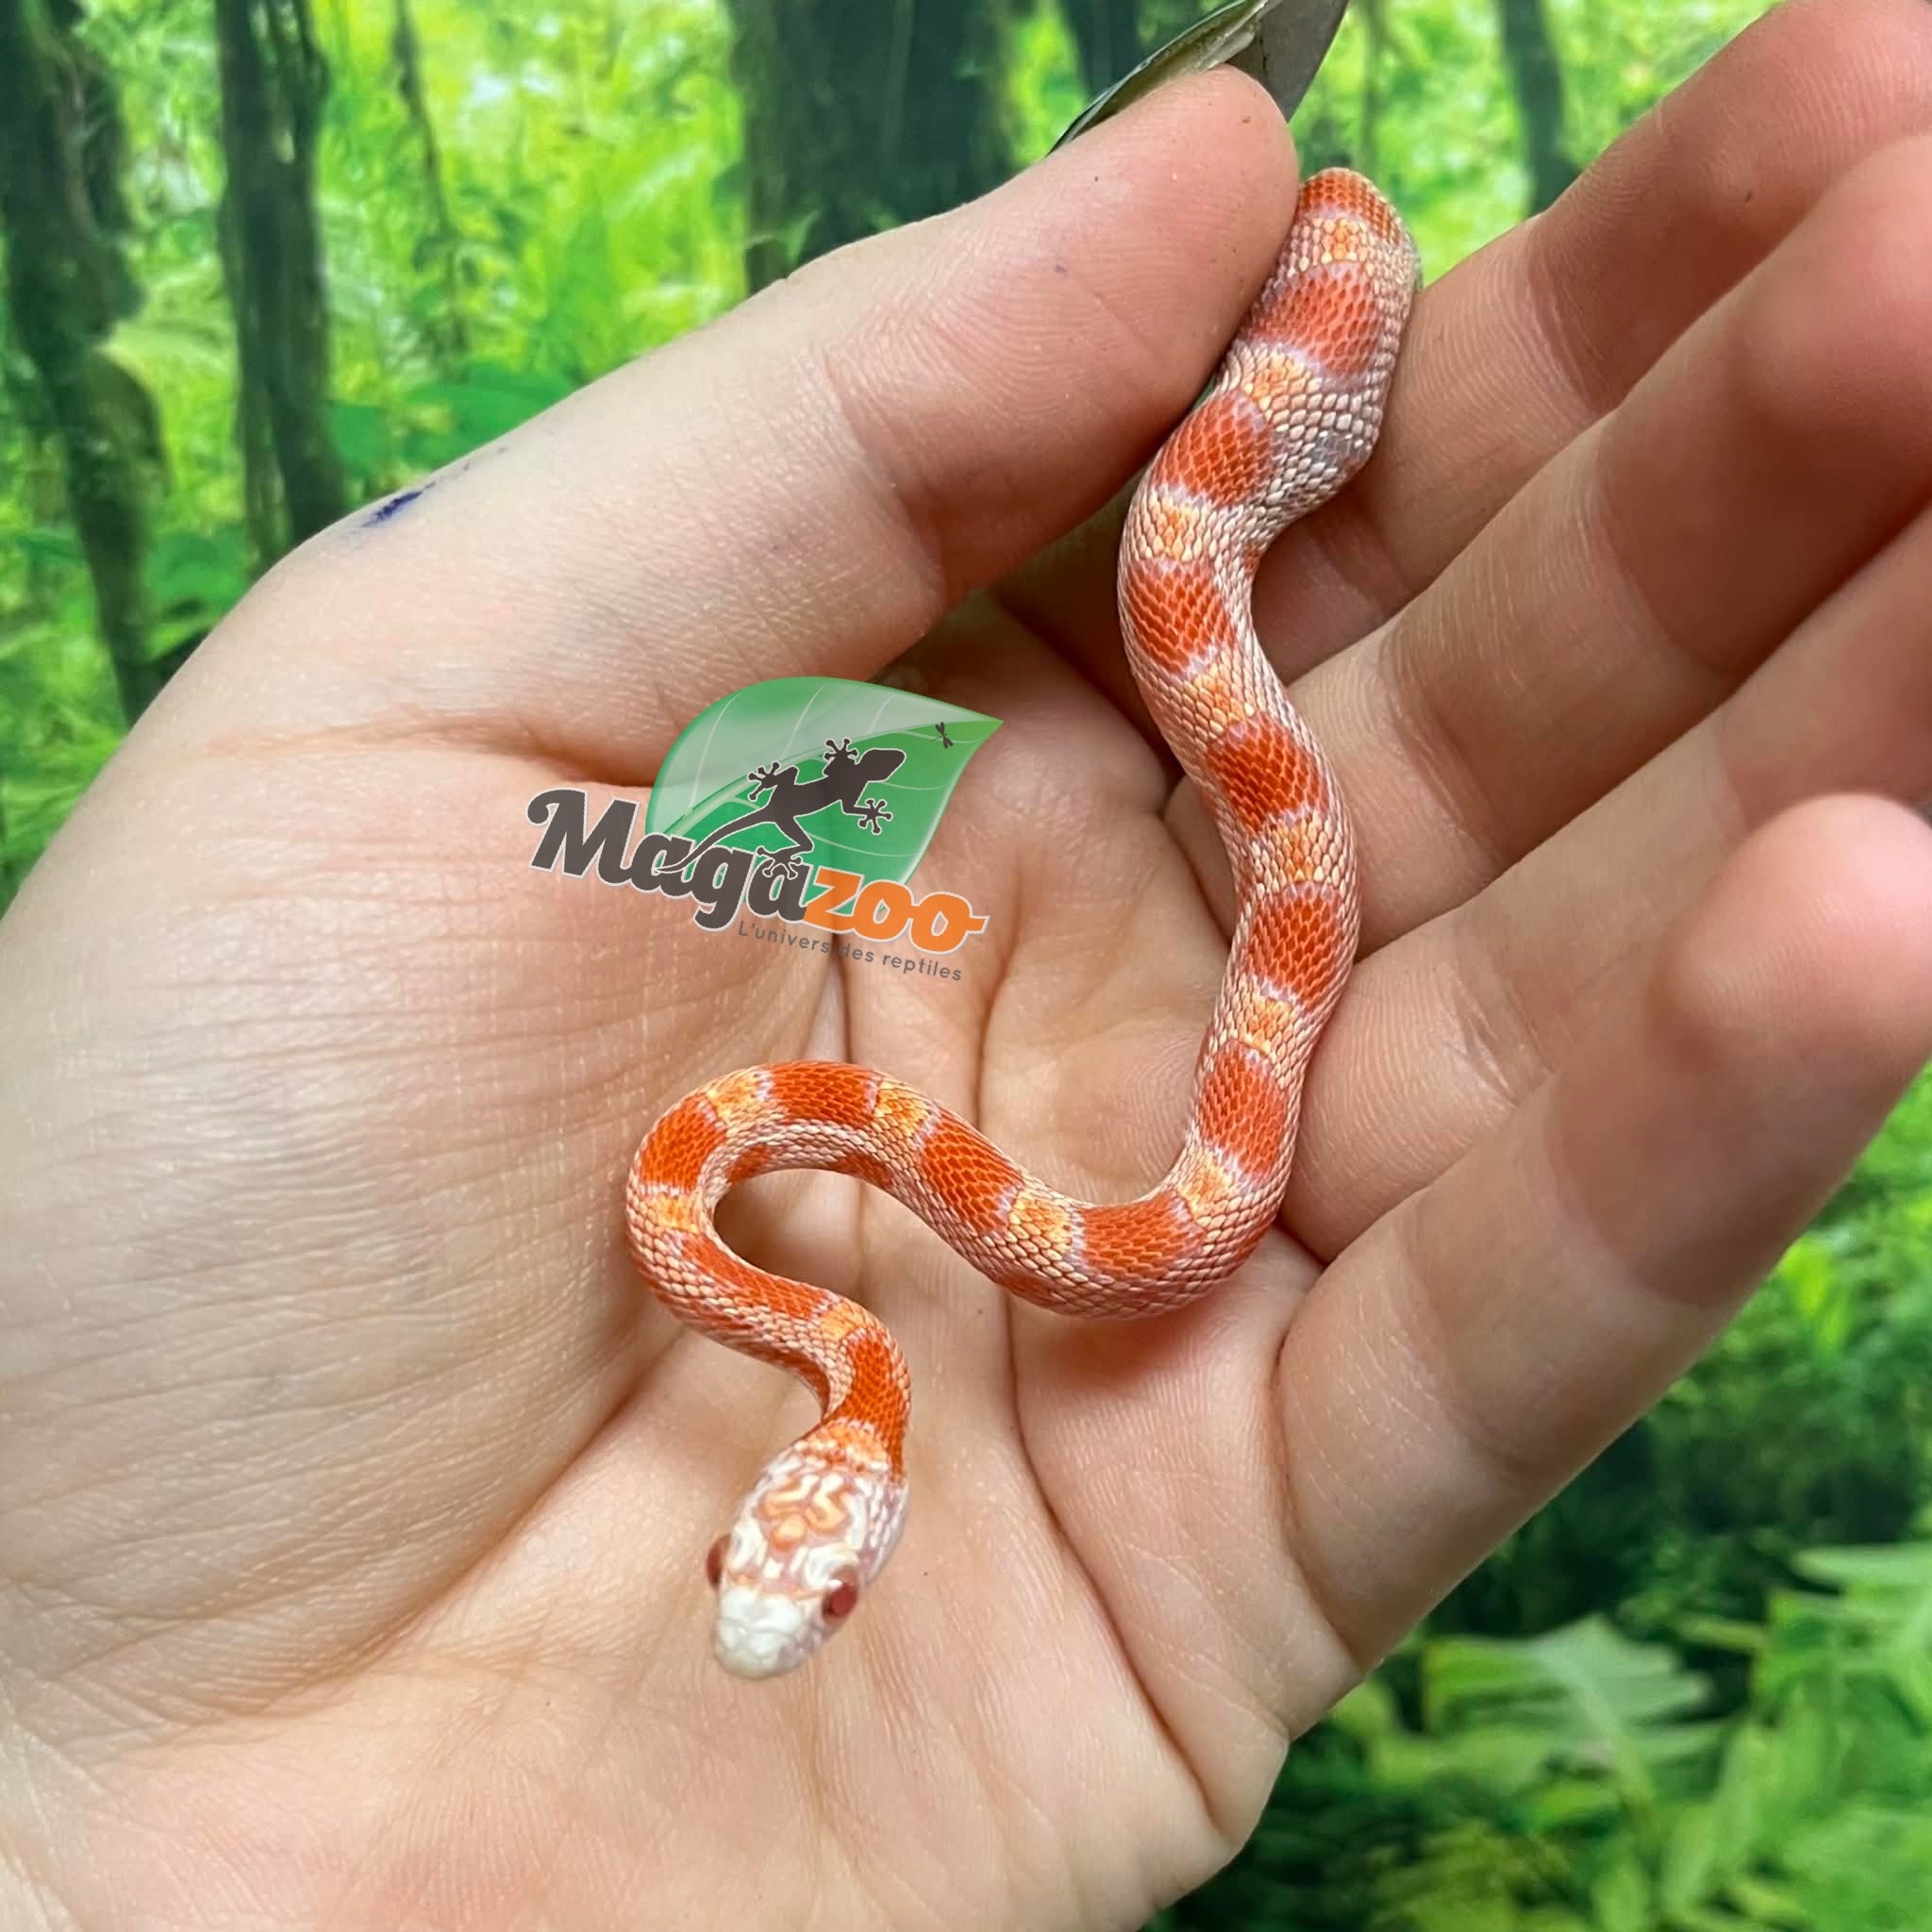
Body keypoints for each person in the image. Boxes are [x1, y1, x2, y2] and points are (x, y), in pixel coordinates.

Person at [3, 1, 1931, 1922]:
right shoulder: (758, 1261)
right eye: (819, 1590)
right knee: (1226, 568)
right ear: (851, 1497)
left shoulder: (729, 1220)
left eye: (790, 1578)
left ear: (793, 1500)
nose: (790, 1604)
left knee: (1220, 481)